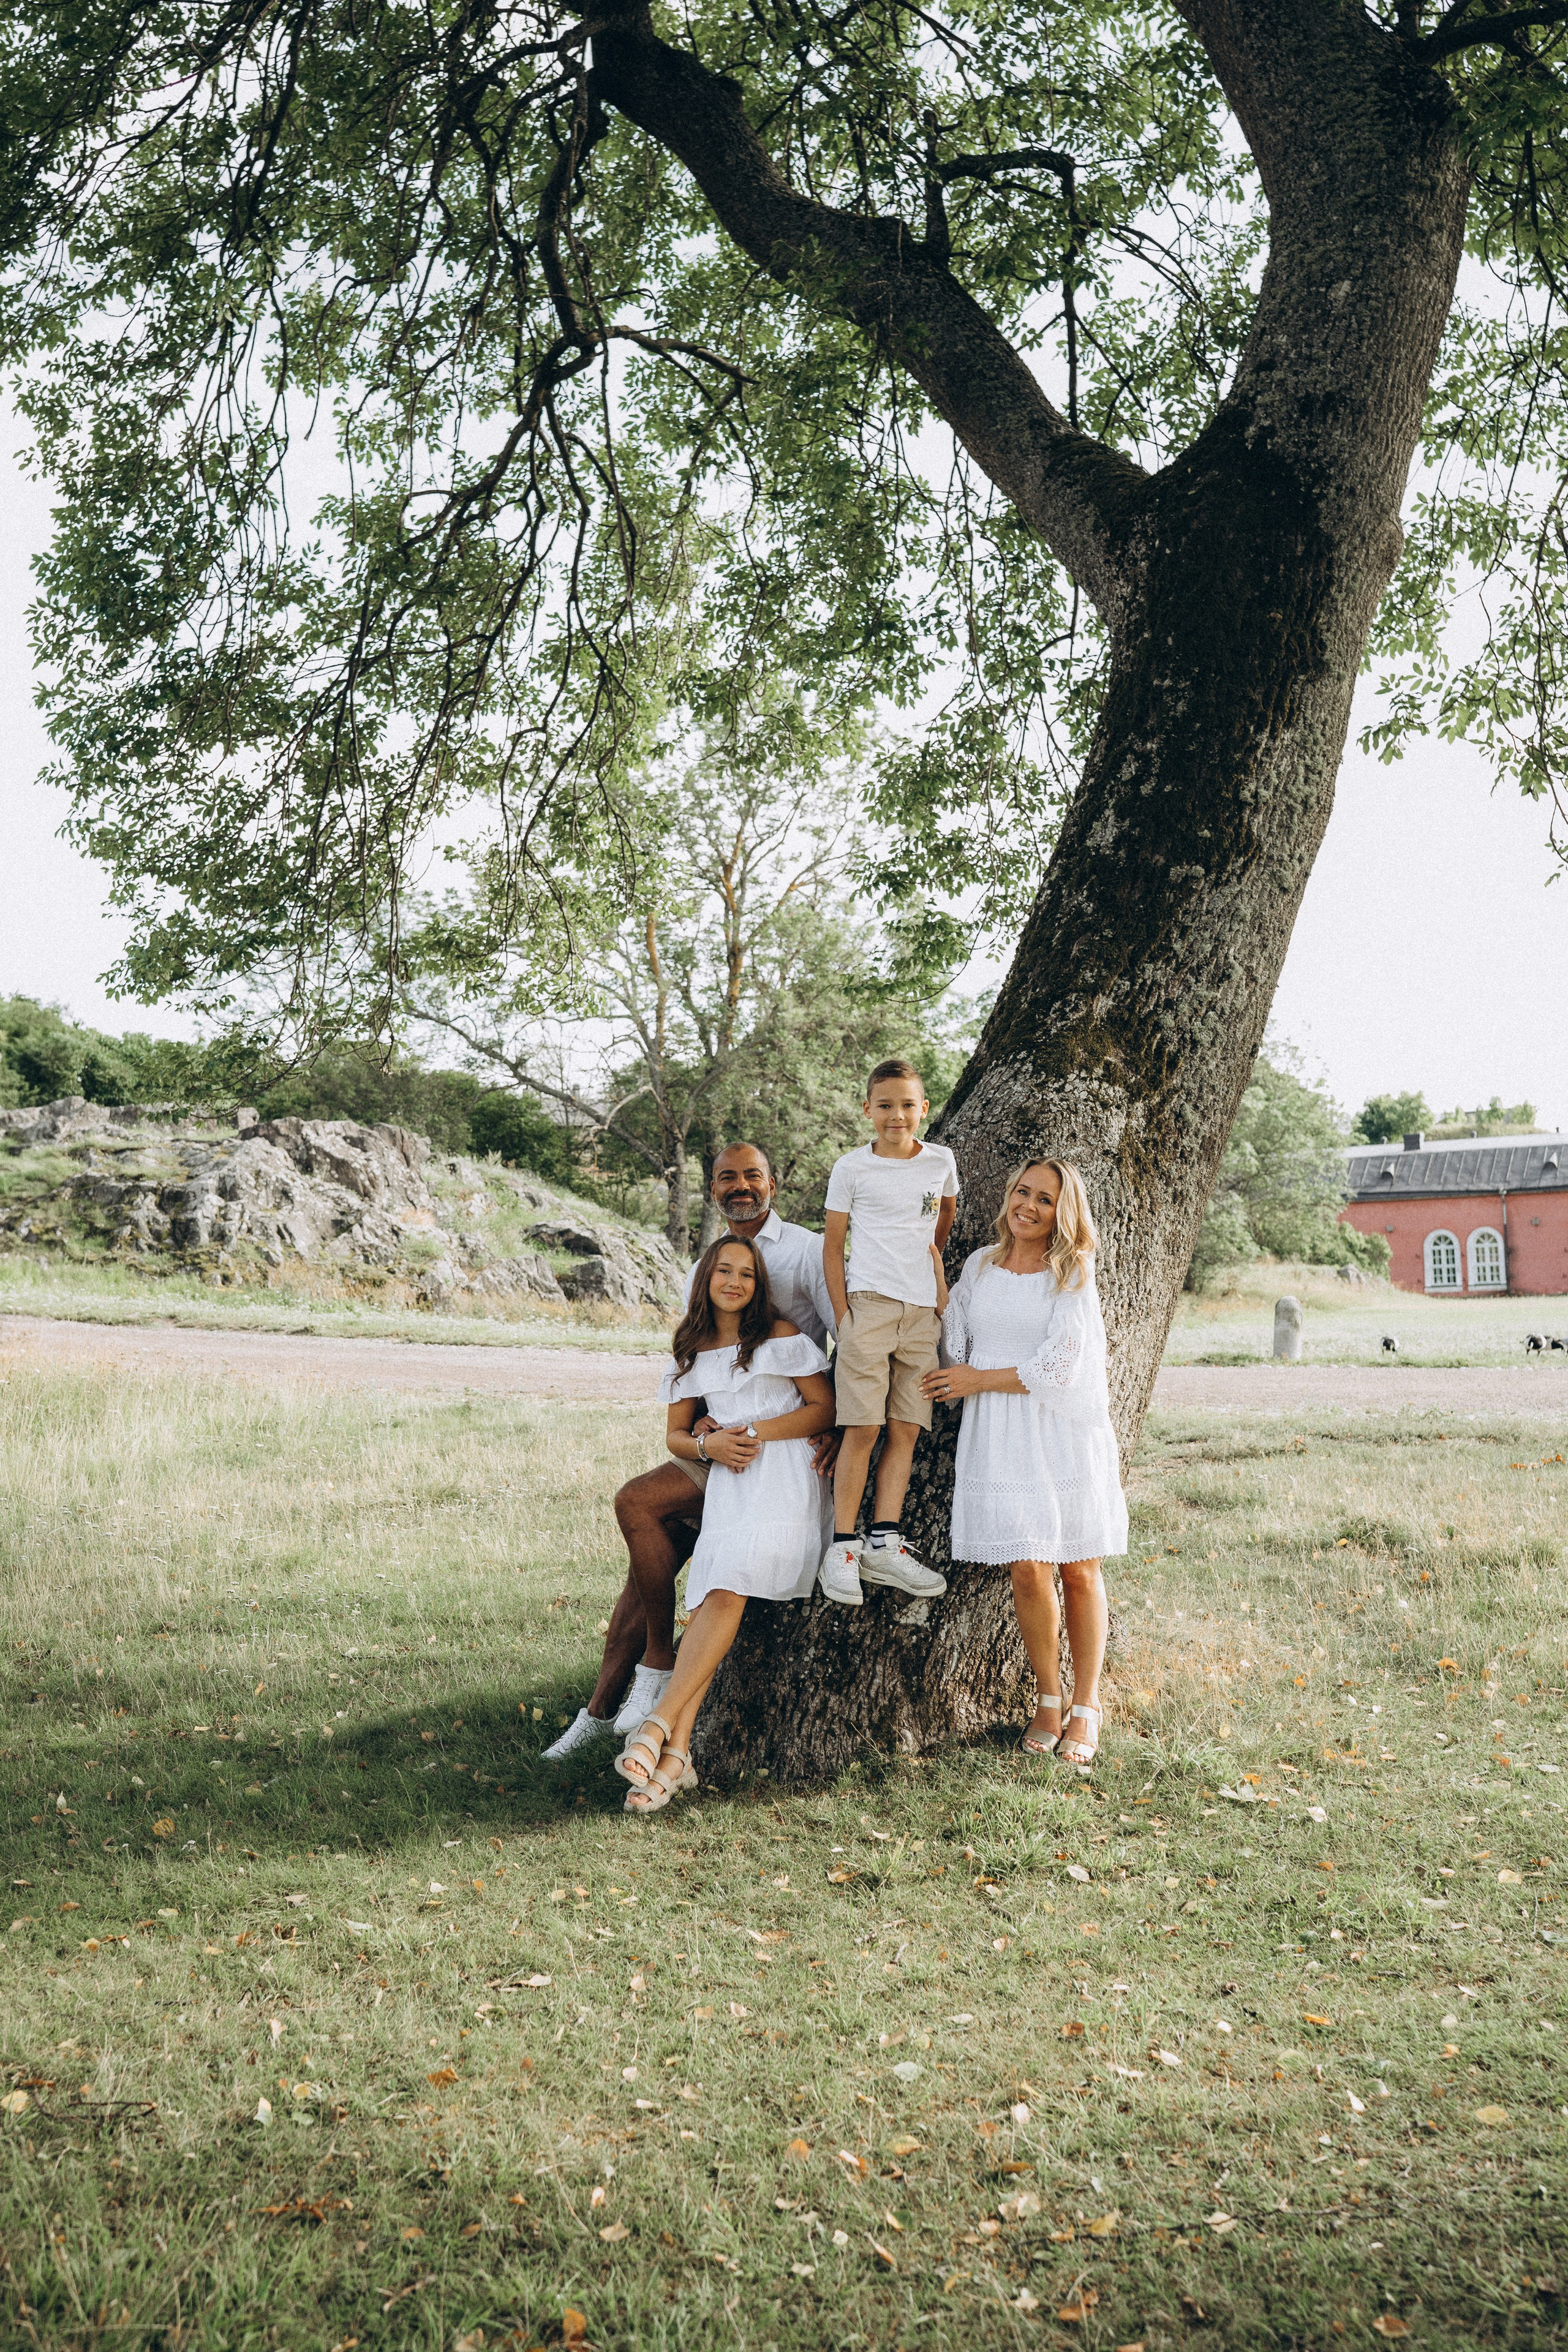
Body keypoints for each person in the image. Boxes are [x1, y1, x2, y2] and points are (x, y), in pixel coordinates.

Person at [543, 1141, 837, 1761]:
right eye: (727, 1178)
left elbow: (845, 1342)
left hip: (782, 1438)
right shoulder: (699, 1276)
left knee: (653, 1517)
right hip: (718, 1439)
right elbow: (694, 1367)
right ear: (713, 1190)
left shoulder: (807, 1251)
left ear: (772, 1183)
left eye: (752, 1176)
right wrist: (706, 1438)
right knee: (646, 1533)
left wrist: (840, 1427)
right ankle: (609, 1704)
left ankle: (649, 1687)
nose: (741, 1186)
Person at [920, 1158, 1128, 1770]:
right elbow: (952, 1345)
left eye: (1044, 1199)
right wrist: (933, 1279)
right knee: (1028, 1570)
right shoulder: (980, 1265)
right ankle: (1047, 1696)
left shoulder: (1071, 1271)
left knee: (1078, 1568)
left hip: (1059, 1427)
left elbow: (1061, 1367)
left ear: (1062, 1212)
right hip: (999, 1434)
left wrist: (978, 1378)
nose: (1028, 1206)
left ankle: (1086, 1704)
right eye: (1022, 1191)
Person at [618, 1232, 835, 1811]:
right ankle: (674, 1758)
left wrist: (756, 1433)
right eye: (723, 1271)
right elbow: (674, 1435)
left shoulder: (780, 1336)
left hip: (787, 1476)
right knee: (716, 1593)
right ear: (705, 1280)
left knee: (727, 1587)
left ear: (758, 1283)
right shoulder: (690, 1347)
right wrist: (708, 1449)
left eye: (746, 1273)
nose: (735, 1282)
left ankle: (659, 1724)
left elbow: (825, 1408)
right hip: (732, 1483)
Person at [817, 1058, 957, 1606]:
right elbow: (833, 1246)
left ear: (923, 1109)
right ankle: (842, 1549)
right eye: (884, 1106)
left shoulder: (941, 1161)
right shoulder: (852, 1168)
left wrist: (934, 1279)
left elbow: (942, 1220)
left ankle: (885, 1543)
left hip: (921, 1314)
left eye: (907, 1105)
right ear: (868, 1110)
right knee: (863, 1427)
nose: (896, 1116)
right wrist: (844, 1317)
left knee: (906, 1427)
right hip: (868, 1309)